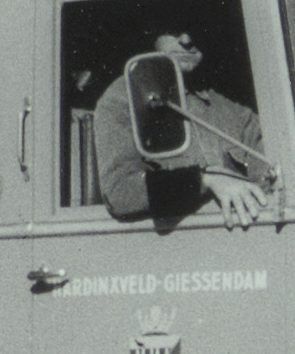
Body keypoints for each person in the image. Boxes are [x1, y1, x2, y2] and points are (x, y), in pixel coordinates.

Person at [91, 32, 272, 227]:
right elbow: (120, 193)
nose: (186, 40)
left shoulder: (231, 109)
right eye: (174, 29)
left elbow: (269, 181)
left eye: (195, 27)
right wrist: (204, 180)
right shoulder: (123, 97)